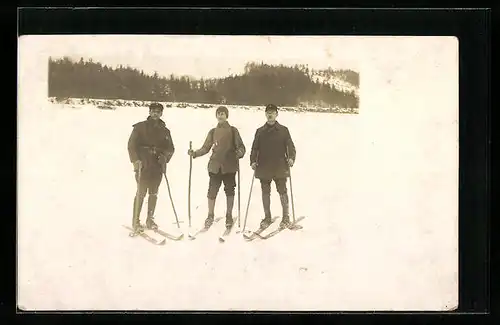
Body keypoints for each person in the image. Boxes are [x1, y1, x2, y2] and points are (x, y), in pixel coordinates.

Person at [188, 106, 246, 229]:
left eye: (223, 114)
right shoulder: (212, 132)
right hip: (215, 166)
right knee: (212, 191)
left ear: (227, 116)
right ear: (216, 116)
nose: (220, 116)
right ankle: (210, 215)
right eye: (219, 114)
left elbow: (241, 146)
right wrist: (195, 153)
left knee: (229, 191)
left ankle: (229, 216)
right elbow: (206, 147)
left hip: (229, 166)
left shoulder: (233, 130)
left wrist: (240, 152)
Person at [128, 102, 175, 233]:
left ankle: (150, 219)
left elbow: (170, 148)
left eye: (158, 111)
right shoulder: (139, 128)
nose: (155, 113)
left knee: (153, 193)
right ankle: (135, 221)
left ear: (161, 114)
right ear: (149, 112)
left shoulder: (165, 131)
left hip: (157, 166)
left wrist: (165, 157)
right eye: (153, 111)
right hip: (143, 164)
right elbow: (131, 145)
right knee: (141, 192)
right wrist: (135, 161)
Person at [250, 104, 296, 229]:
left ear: (276, 114)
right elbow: (254, 149)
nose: (270, 115)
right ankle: (267, 217)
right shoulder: (260, 131)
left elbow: (291, 147)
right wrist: (253, 161)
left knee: (282, 191)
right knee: (265, 192)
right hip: (264, 166)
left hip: (280, 166)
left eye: (272, 112)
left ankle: (285, 217)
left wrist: (291, 158)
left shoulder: (283, 130)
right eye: (268, 112)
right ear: (265, 114)